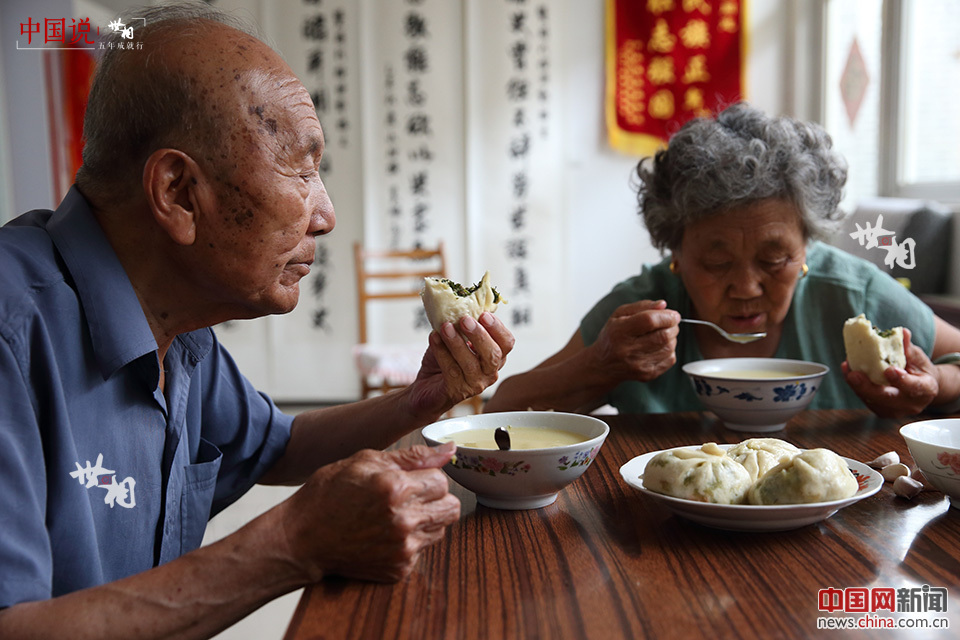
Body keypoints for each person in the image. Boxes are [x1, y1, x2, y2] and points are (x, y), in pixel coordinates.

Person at [0, 4, 514, 638]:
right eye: (301, 167)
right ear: (179, 193)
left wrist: (418, 400)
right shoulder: (12, 332)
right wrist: (294, 543)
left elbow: (280, 446)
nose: (324, 216)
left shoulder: (176, 323)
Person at [485, 102, 960, 419]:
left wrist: (934, 382)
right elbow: (501, 411)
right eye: (716, 263)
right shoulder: (641, 310)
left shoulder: (853, 295)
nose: (748, 287)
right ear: (674, 252)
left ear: (807, 248)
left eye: (775, 259)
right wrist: (600, 367)